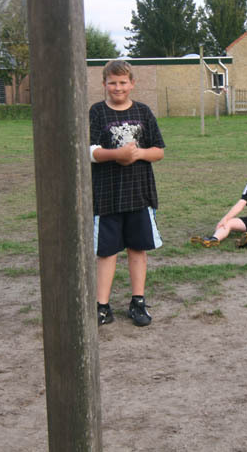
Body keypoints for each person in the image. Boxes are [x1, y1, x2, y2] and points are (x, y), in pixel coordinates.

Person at [89, 60, 165, 327]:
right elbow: (90, 151)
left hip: (139, 194)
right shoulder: (97, 112)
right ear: (104, 84)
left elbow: (158, 150)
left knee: (137, 249)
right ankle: (102, 306)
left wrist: (137, 154)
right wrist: (117, 155)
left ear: (132, 83)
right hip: (106, 196)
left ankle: (138, 302)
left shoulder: (143, 111)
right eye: (112, 83)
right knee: (107, 252)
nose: (118, 87)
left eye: (123, 82)